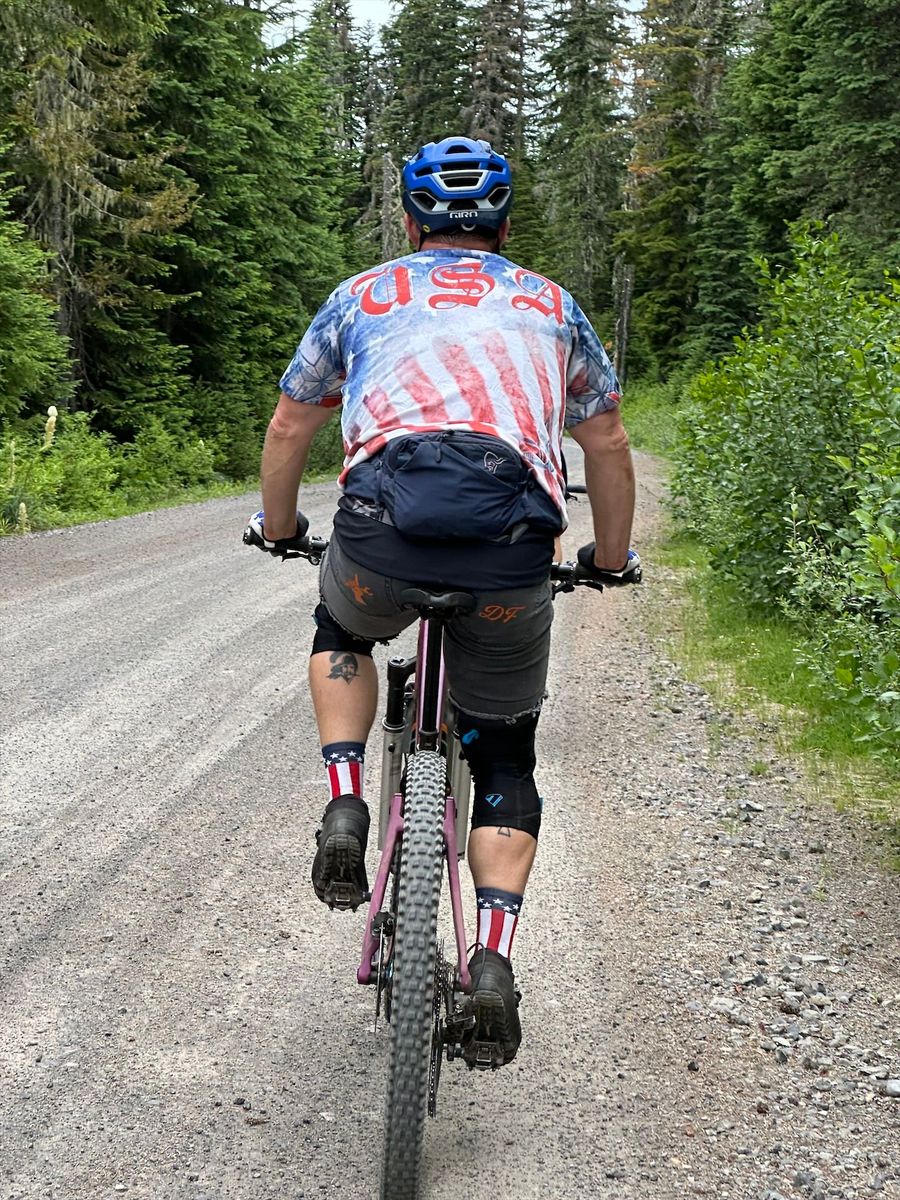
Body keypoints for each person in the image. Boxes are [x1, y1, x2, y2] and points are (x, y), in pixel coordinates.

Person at [245, 136, 640, 1068]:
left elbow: (292, 422)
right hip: (507, 562)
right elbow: (608, 439)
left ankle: (347, 802)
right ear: (503, 227)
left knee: (343, 628)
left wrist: (280, 527)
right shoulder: (552, 304)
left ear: (410, 222)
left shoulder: (362, 295)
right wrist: (610, 557)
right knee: (503, 746)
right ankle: (492, 960)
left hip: (380, 545)